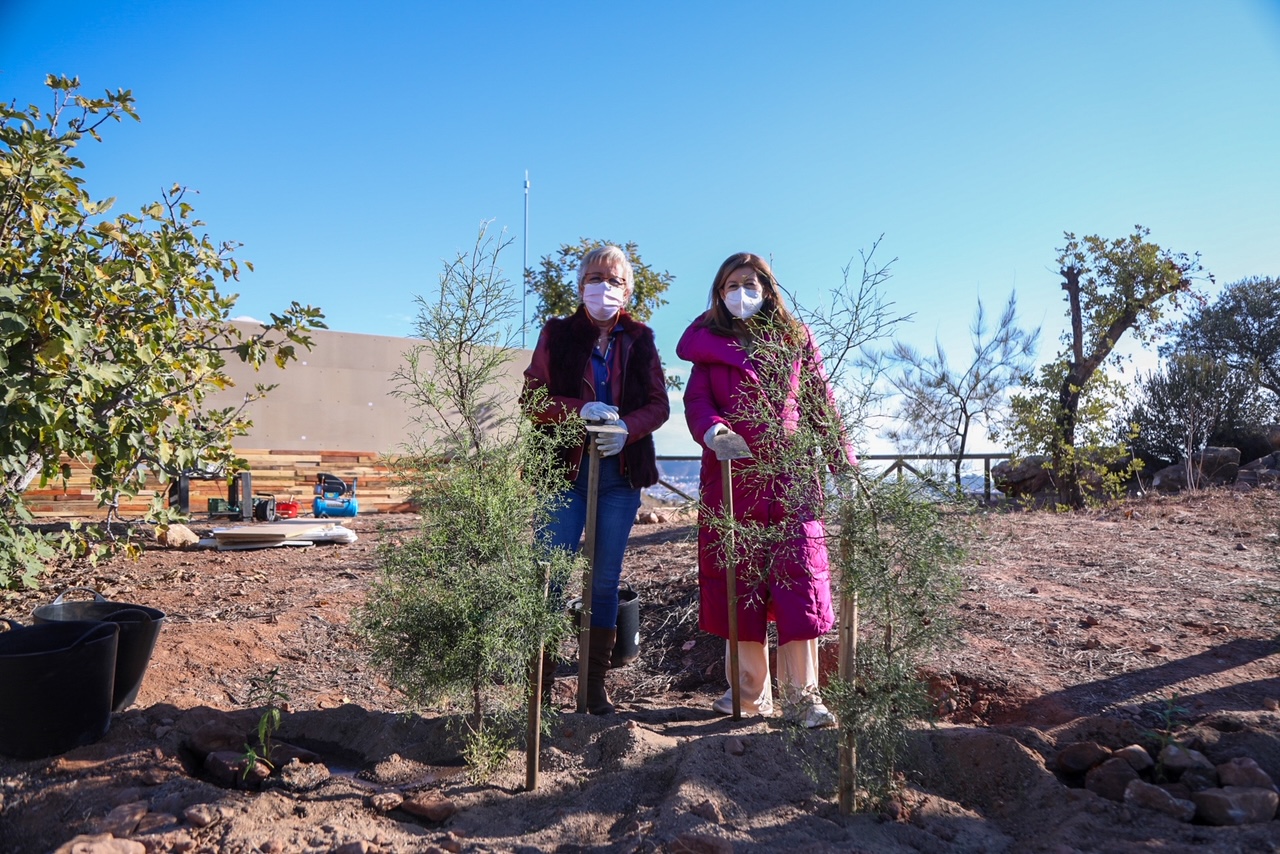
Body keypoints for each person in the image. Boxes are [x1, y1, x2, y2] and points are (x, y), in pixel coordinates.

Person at [676, 252, 854, 728]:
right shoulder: (708, 346)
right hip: (733, 479)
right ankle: (749, 695)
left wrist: (844, 464)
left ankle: (805, 698)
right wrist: (714, 432)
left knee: (801, 588)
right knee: (740, 590)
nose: (741, 293)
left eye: (750, 283)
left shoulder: (795, 339)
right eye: (732, 285)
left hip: (792, 480)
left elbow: (821, 402)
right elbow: (697, 403)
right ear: (718, 293)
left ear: (768, 288)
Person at [522, 245, 670, 714]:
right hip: (563, 474)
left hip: (619, 477)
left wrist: (628, 429)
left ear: (627, 289)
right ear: (580, 285)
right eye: (592, 277)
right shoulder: (558, 333)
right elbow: (532, 399)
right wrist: (577, 410)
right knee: (548, 575)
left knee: (604, 581)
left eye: (611, 279)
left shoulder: (641, 338)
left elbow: (659, 405)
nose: (601, 286)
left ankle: (592, 690)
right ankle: (539, 690)